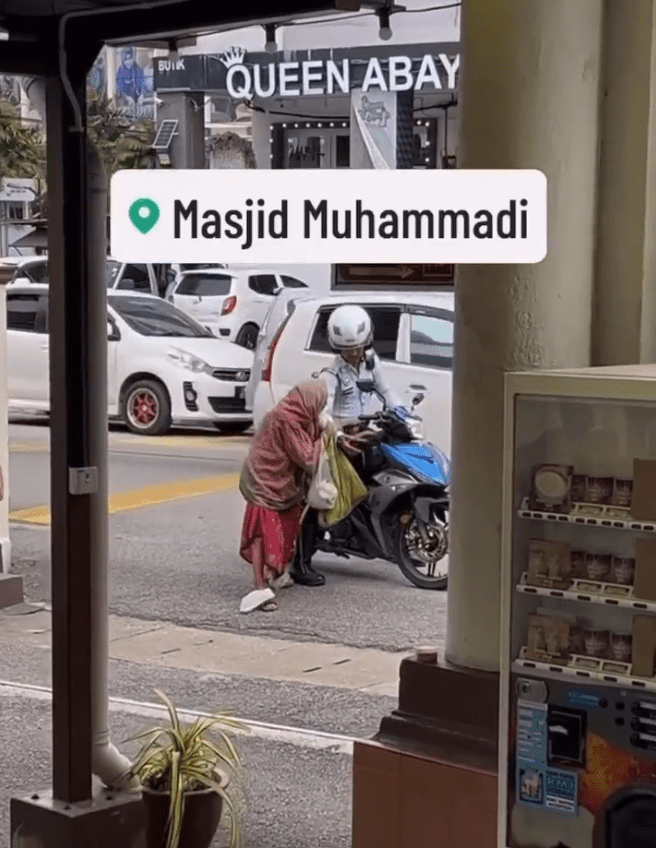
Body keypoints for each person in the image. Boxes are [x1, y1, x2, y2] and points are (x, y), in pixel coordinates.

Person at [289, 305, 401, 588]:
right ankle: (300, 563)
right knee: (322, 496)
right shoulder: (332, 372)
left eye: (358, 348)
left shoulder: (372, 363)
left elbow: (388, 393)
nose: (353, 354)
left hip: (361, 432)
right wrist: (336, 434)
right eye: (346, 350)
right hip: (336, 438)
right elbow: (322, 411)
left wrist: (402, 415)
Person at [238, 379, 331, 613]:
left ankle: (277, 572)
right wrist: (322, 439)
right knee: (263, 532)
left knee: (287, 526)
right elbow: (307, 458)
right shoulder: (286, 420)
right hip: (265, 481)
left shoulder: (301, 417)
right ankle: (259, 585)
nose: (321, 408)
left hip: (284, 482)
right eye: (320, 403)